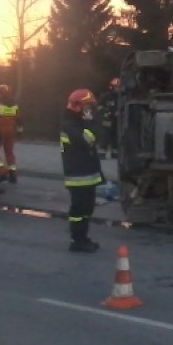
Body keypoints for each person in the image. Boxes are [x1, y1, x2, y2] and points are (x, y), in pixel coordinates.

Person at [60, 88, 104, 253]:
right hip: (78, 175)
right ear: (78, 107)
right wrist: (91, 122)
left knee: (87, 209)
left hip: (86, 173)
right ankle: (77, 240)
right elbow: (88, 140)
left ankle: (83, 238)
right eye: (88, 107)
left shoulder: (76, 122)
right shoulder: (70, 124)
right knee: (78, 210)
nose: (90, 110)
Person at [0, 84, 22, 183]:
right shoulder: (14, 105)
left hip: (0, 130)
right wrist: (19, 130)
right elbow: (18, 119)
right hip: (11, 130)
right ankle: (13, 174)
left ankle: (2, 172)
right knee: (9, 153)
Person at [97, 77, 120, 159]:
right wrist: (106, 113)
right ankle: (102, 153)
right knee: (105, 136)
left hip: (117, 121)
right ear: (112, 87)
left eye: (118, 87)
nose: (117, 89)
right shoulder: (106, 96)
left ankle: (115, 153)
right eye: (116, 87)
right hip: (107, 120)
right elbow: (99, 106)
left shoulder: (121, 98)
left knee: (116, 137)